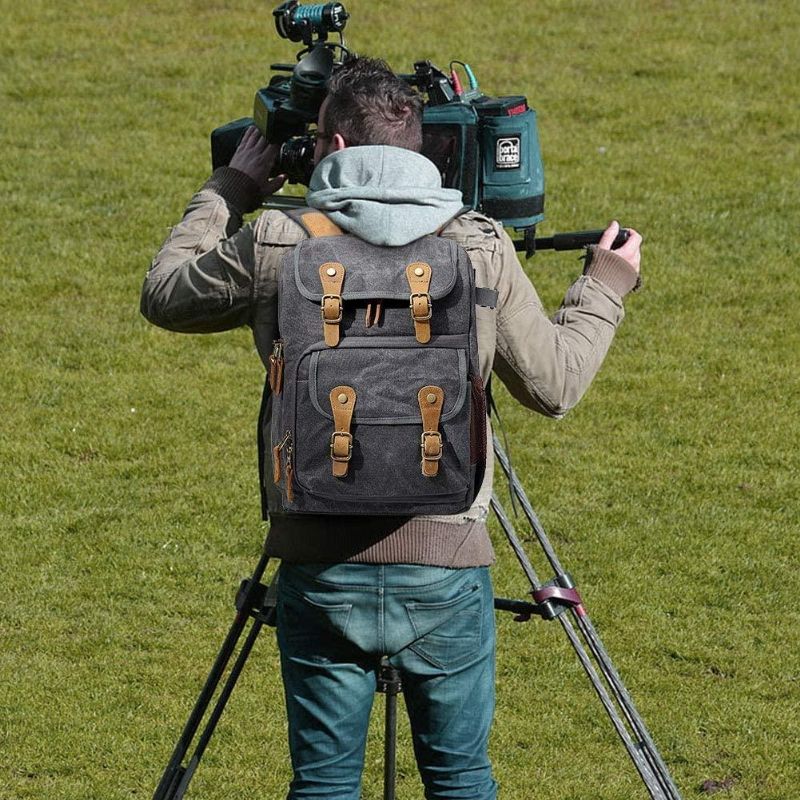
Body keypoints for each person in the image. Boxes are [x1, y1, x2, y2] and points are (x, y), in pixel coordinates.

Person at [141, 56, 642, 800]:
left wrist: (230, 189)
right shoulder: (478, 243)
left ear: (333, 149)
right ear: (422, 147)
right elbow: (556, 384)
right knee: (461, 777)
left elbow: (164, 293)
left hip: (318, 559)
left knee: (322, 784)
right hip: (448, 558)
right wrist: (605, 282)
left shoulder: (278, 238)